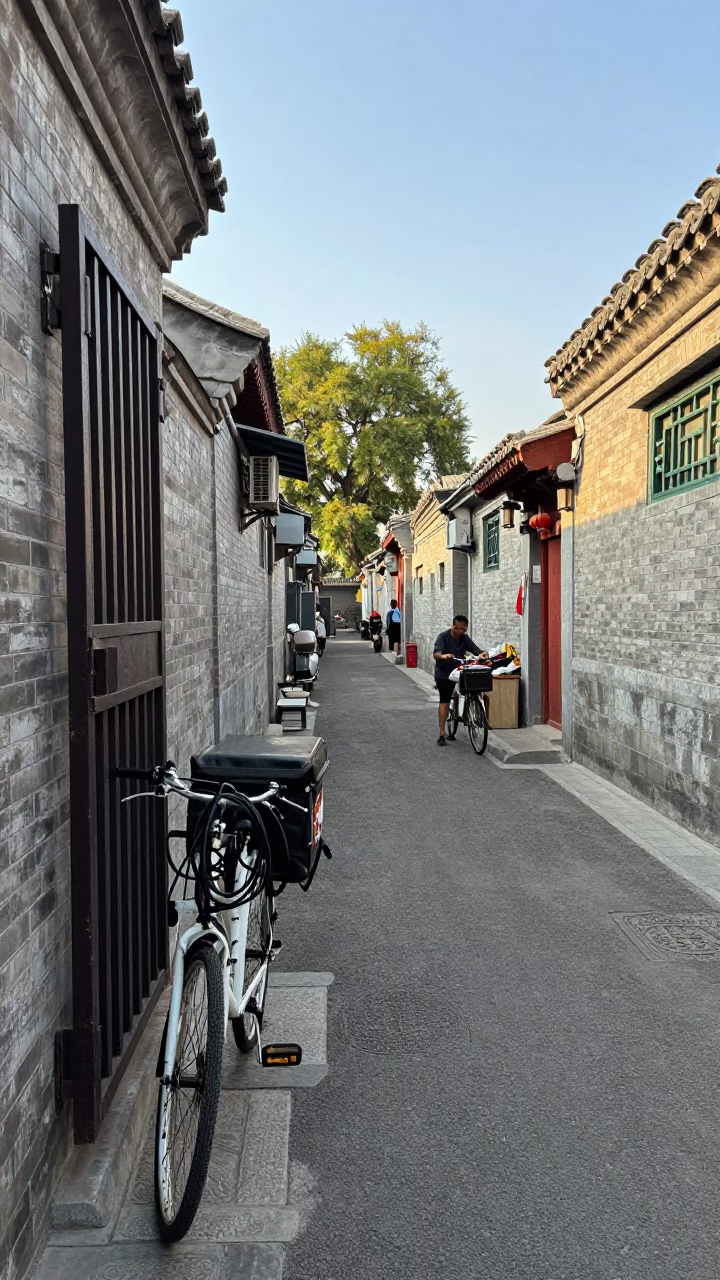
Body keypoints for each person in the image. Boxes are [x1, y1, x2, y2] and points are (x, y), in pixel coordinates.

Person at [433, 615, 488, 745]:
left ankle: (466, 710)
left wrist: (482, 653)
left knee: (470, 687)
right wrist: (443, 656)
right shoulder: (443, 637)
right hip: (444, 671)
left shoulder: (464, 638)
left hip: (460, 669)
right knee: (445, 700)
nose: (461, 632)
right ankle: (442, 733)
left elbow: (474, 649)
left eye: (464, 630)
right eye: (459, 629)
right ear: (453, 626)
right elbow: (436, 653)